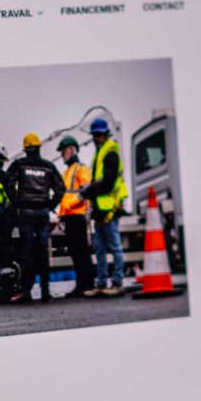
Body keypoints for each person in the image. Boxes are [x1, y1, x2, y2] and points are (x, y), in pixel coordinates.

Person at [7, 132, 63, 302]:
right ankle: (45, 292)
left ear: (25, 149)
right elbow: (60, 188)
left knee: (27, 252)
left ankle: (27, 292)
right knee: (43, 252)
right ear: (39, 147)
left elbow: (8, 183)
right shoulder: (48, 166)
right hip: (42, 213)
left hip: (26, 213)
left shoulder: (19, 164)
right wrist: (50, 205)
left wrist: (16, 202)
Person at [83, 116, 128, 295]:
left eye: (99, 135)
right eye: (95, 135)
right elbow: (100, 180)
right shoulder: (101, 152)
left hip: (109, 208)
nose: (97, 138)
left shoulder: (110, 152)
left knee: (114, 247)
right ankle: (101, 284)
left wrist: (88, 191)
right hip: (100, 208)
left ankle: (117, 283)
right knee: (100, 248)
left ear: (105, 135)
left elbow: (108, 182)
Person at [56, 135, 96, 296]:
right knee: (75, 252)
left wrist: (72, 204)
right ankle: (82, 284)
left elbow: (86, 190)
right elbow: (65, 196)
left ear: (72, 150)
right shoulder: (67, 172)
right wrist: (61, 215)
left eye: (63, 151)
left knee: (81, 252)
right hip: (69, 217)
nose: (62, 154)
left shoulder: (81, 168)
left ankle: (87, 284)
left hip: (78, 216)